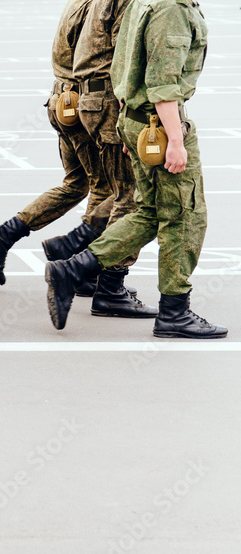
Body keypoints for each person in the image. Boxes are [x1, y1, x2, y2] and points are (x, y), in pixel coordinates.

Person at [45, 0, 226, 339]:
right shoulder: (171, 8)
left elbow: (122, 68)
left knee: (148, 213)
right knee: (184, 216)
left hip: (138, 120)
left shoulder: (145, 2)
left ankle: (72, 269)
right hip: (159, 124)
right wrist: (175, 139)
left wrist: (128, 124)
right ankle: (174, 312)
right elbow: (163, 84)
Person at [0, 0, 118, 300]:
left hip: (62, 99)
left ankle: (2, 236)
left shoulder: (78, 3)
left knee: (76, 184)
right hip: (83, 103)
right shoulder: (102, 7)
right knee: (105, 188)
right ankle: (82, 268)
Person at [70, 0, 154, 318]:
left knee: (115, 191)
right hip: (110, 100)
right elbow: (126, 57)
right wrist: (129, 117)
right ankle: (108, 287)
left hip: (93, 97)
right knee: (129, 197)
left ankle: (85, 265)